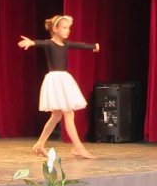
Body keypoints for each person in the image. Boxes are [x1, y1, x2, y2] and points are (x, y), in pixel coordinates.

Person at [18, 14, 100, 159]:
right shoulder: (50, 43)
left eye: (68, 28)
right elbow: (41, 43)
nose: (68, 30)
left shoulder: (66, 44)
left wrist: (92, 46)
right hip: (55, 81)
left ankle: (40, 145)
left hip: (63, 79)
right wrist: (31, 42)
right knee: (68, 113)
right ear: (55, 29)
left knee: (57, 115)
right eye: (64, 28)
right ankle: (78, 148)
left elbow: (79, 45)